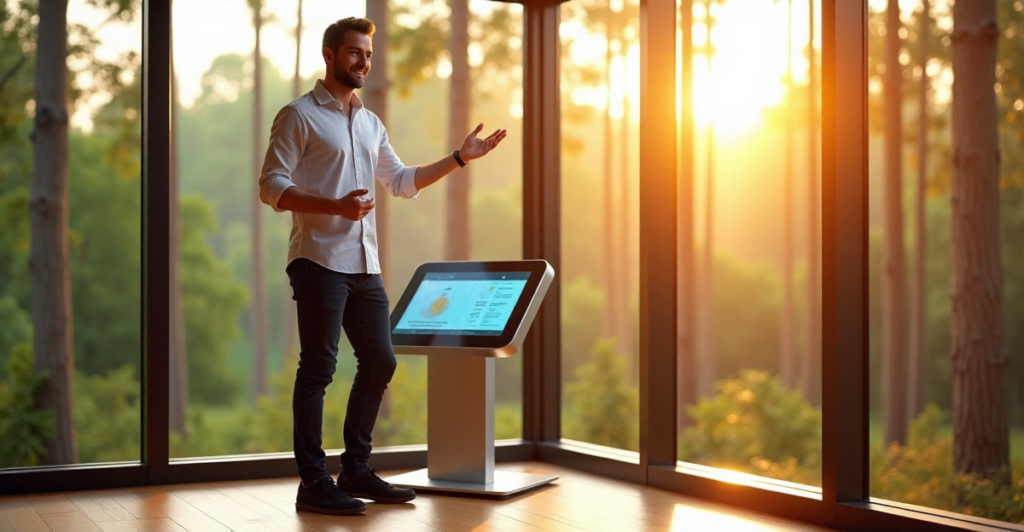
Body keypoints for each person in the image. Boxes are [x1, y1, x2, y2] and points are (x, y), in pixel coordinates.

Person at [258, 16, 507, 516]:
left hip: (364, 264)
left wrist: (459, 157)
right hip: (318, 260)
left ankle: (355, 469)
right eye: (354, 53)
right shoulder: (298, 116)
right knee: (319, 369)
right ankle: (313, 481)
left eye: (368, 55)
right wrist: (336, 208)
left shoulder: (370, 123)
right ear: (329, 55)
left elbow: (401, 180)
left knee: (381, 362)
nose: (363, 62)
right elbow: (270, 185)